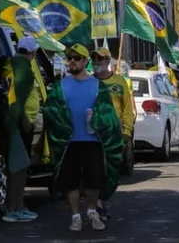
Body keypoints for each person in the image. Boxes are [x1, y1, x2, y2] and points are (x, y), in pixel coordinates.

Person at [42, 44, 122, 232]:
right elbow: (50, 111)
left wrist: (99, 120)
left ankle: (93, 211)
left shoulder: (98, 86)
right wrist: (60, 123)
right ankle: (75, 216)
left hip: (93, 141)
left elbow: (109, 114)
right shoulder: (60, 86)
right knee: (70, 181)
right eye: (69, 58)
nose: (72, 61)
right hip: (69, 142)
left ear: (85, 61)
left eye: (77, 58)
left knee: (94, 180)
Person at [91, 47, 133, 220]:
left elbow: (127, 109)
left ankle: (101, 199)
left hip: (114, 135)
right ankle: (96, 204)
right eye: (94, 59)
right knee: (94, 170)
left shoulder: (119, 81)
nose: (96, 62)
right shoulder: (88, 81)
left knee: (111, 172)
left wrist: (127, 131)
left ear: (108, 62)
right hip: (92, 134)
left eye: (100, 59)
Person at [1, 36, 39, 223]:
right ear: (32, 52)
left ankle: (19, 205)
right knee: (19, 167)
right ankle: (13, 208)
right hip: (18, 125)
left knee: (19, 166)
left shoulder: (11, 63)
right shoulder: (24, 70)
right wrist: (24, 119)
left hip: (13, 123)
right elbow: (17, 99)